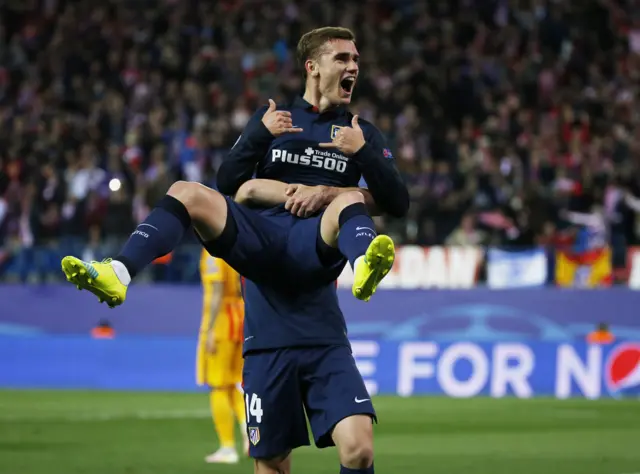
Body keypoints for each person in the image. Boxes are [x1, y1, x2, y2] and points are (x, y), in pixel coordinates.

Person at [61, 26, 409, 474]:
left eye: (356, 59)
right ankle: (120, 272)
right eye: (342, 58)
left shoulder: (360, 132)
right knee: (187, 191)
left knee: (345, 198)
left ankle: (364, 263)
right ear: (313, 66)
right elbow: (228, 187)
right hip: (262, 247)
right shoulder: (275, 121)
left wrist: (353, 163)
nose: (354, 67)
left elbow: (397, 203)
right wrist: (259, 141)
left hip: (313, 248)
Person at [196, 248, 248, 463]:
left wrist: (208, 330)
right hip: (240, 315)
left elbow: (217, 288)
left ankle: (227, 447)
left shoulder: (213, 251)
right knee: (234, 383)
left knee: (217, 385)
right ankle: (250, 432)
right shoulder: (232, 244)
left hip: (221, 323)